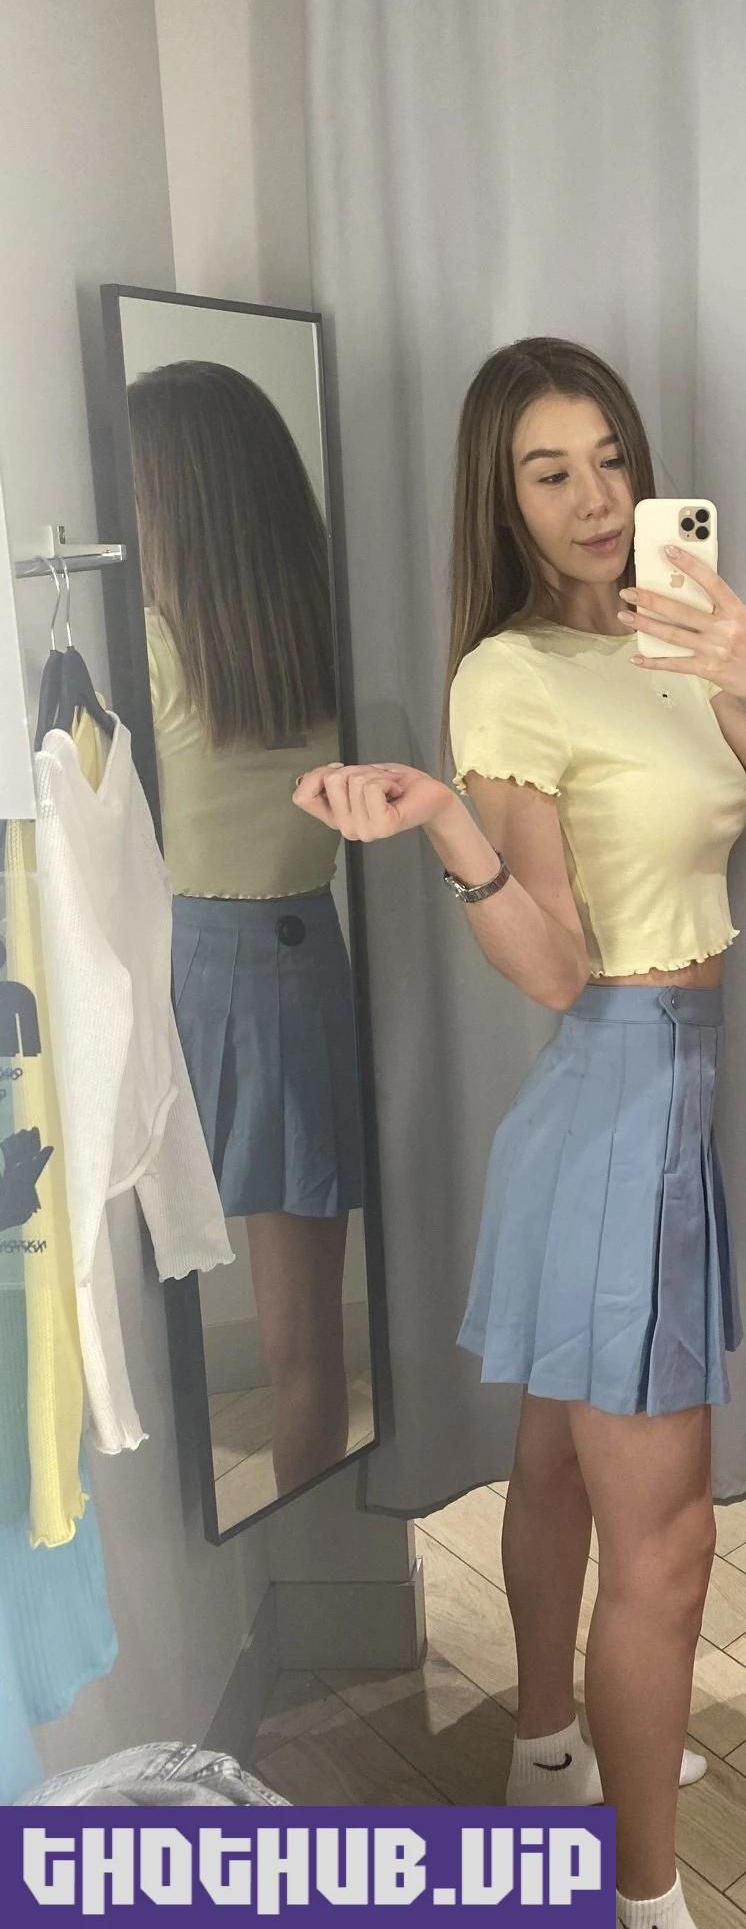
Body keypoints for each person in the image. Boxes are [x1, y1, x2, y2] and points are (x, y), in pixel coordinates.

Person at [295, 337, 746, 1929]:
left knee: (555, 1461)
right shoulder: (508, 673)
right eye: (552, 472)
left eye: (612, 459)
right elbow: (553, 965)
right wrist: (452, 831)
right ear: (505, 497)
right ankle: (642, 1898)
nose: (597, 498)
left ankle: (549, 1753)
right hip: (617, 1103)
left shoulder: (678, 634)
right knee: (668, 1548)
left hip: (644, 1106)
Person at [129, 360, 364, 1499]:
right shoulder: (332, 633)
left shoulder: (148, 650)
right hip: (301, 963)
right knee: (305, 1340)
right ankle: (309, 1533)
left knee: (141, 1284)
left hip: (181, 964)